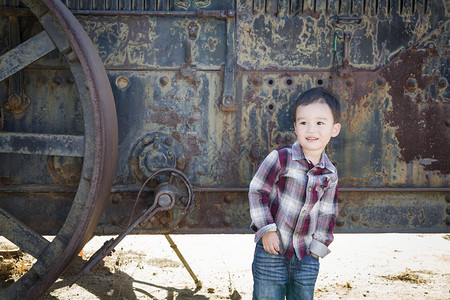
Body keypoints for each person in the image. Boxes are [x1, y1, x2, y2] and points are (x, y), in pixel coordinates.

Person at [249, 87, 342, 300]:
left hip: (306, 254)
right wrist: (266, 229)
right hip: (271, 250)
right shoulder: (281, 158)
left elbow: (327, 213)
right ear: (295, 127)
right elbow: (257, 191)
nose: (311, 129)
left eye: (320, 123)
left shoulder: (330, 173)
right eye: (303, 123)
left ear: (334, 129)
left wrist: (319, 247)